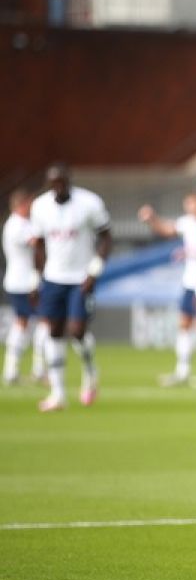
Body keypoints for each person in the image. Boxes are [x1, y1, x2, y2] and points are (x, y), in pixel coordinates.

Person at [29, 163, 112, 411]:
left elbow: (106, 236)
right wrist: (37, 278)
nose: (58, 187)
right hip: (54, 277)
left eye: (62, 181)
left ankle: (90, 372)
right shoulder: (40, 206)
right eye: (54, 182)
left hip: (81, 277)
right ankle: (58, 393)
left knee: (77, 329)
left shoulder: (89, 203)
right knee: (54, 331)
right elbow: (39, 244)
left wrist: (95, 270)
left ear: (69, 181)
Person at [139, 192, 196, 387]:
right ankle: (183, 370)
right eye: (186, 204)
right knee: (184, 324)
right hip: (190, 282)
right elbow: (167, 230)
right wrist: (152, 219)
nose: (188, 207)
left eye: (192, 203)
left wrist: (192, 253)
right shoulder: (188, 222)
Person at [3, 188, 47, 385]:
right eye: (29, 204)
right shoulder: (16, 225)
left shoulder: (18, 224)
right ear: (21, 204)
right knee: (43, 321)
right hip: (25, 283)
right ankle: (37, 369)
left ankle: (12, 369)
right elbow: (38, 242)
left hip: (20, 281)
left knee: (22, 322)